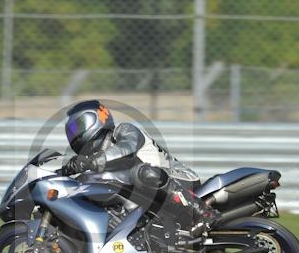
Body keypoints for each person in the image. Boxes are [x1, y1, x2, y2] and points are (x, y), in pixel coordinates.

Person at [62, 100, 220, 238]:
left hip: (179, 180)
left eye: (76, 127)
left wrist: (90, 161)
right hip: (151, 195)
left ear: (96, 118)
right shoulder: (96, 158)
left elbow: (126, 148)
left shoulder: (123, 131)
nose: (73, 134)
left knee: (143, 173)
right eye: (70, 131)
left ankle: (203, 213)